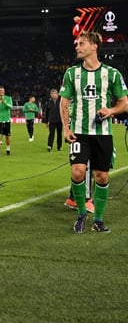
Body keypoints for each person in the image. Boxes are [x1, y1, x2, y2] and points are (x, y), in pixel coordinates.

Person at [60, 30, 128, 234]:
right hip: (79, 133)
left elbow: (124, 103)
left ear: (94, 46)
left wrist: (111, 110)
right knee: (77, 172)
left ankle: (98, 219)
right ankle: (82, 212)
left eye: (81, 43)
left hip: (103, 133)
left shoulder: (112, 74)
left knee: (102, 177)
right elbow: (64, 103)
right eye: (77, 43)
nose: (77, 47)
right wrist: (66, 128)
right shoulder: (71, 73)